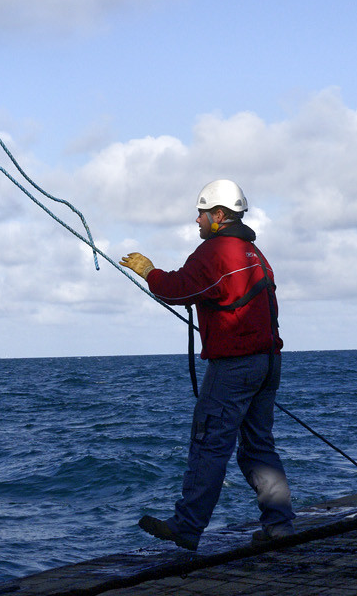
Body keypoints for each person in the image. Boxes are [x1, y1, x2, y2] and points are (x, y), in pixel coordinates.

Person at [121, 180, 294, 551]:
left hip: (235, 366)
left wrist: (149, 271)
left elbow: (177, 289)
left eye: (201, 213)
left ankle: (187, 526)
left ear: (218, 215)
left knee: (209, 444)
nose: (196, 219)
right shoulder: (254, 253)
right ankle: (279, 526)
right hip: (268, 363)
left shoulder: (216, 252)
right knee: (259, 448)